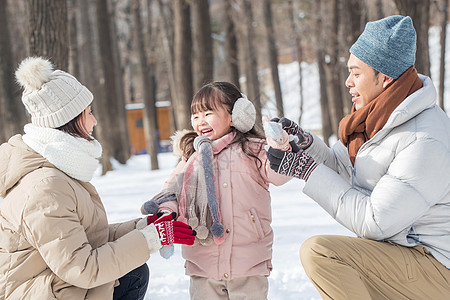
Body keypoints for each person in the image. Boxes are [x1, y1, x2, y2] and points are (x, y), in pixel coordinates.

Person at [265, 15, 450, 299]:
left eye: (356, 73)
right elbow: (342, 168)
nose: (348, 82)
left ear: (385, 77)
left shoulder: (424, 138)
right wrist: (305, 144)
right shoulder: (377, 121)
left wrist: (305, 170)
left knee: (321, 254)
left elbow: (375, 222)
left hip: (437, 267)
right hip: (406, 254)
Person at [0, 57, 195, 300]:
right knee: (131, 273)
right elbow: (81, 268)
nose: (94, 121)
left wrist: (144, 227)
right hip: (39, 293)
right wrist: (150, 239)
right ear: (68, 122)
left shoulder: (57, 171)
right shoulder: (45, 187)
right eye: (88, 113)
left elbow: (91, 240)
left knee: (133, 272)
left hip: (56, 285)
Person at [140, 81, 290, 299]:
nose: (201, 121)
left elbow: (280, 175)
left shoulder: (254, 149)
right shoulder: (193, 156)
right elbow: (173, 188)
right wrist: (165, 211)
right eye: (196, 115)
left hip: (247, 260)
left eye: (208, 113)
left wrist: (279, 146)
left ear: (234, 115)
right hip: (203, 258)